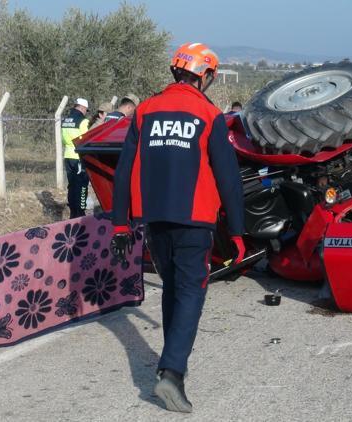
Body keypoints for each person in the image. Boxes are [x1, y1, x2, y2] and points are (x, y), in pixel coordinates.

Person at [110, 42, 245, 413]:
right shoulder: (209, 114)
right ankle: (172, 374)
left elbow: (123, 173)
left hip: (154, 220)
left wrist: (120, 225)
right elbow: (229, 179)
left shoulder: (145, 111)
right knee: (190, 294)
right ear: (206, 75)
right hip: (195, 222)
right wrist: (236, 231)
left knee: (173, 290)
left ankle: (169, 365)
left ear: (176, 70)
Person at [61, 97, 90, 218]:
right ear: (83, 108)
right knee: (82, 184)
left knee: (72, 184)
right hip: (79, 157)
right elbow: (86, 139)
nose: (85, 112)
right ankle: (81, 212)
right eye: (86, 110)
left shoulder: (66, 120)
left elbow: (63, 140)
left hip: (67, 156)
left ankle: (73, 212)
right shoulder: (83, 121)